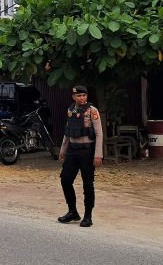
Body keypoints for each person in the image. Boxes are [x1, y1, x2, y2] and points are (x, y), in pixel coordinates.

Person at [58, 85, 103, 228]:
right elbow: (67, 131)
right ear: (73, 97)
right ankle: (72, 211)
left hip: (87, 151)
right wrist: (63, 149)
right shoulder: (71, 110)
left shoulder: (92, 111)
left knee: (87, 184)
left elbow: (99, 133)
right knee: (65, 180)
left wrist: (98, 155)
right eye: (79, 96)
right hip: (72, 150)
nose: (82, 98)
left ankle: (88, 216)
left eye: (84, 95)